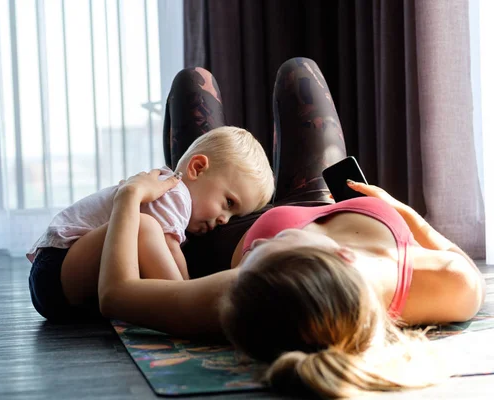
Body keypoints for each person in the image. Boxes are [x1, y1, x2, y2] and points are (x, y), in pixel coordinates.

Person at [94, 58, 486, 398]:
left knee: (192, 85)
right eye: (276, 242)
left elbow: (116, 294)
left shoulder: (245, 296)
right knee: (299, 72)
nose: (269, 236)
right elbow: (458, 261)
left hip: (222, 222)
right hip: (322, 195)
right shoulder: (441, 284)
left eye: (256, 250)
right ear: (342, 256)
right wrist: (405, 214)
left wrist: (129, 196)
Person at [27, 126, 274, 321]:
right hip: (56, 267)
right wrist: (190, 291)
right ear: (197, 168)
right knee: (146, 227)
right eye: (228, 203)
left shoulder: (180, 201)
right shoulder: (174, 193)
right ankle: (185, 310)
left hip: (67, 287)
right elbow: (169, 248)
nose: (223, 220)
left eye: (233, 216)